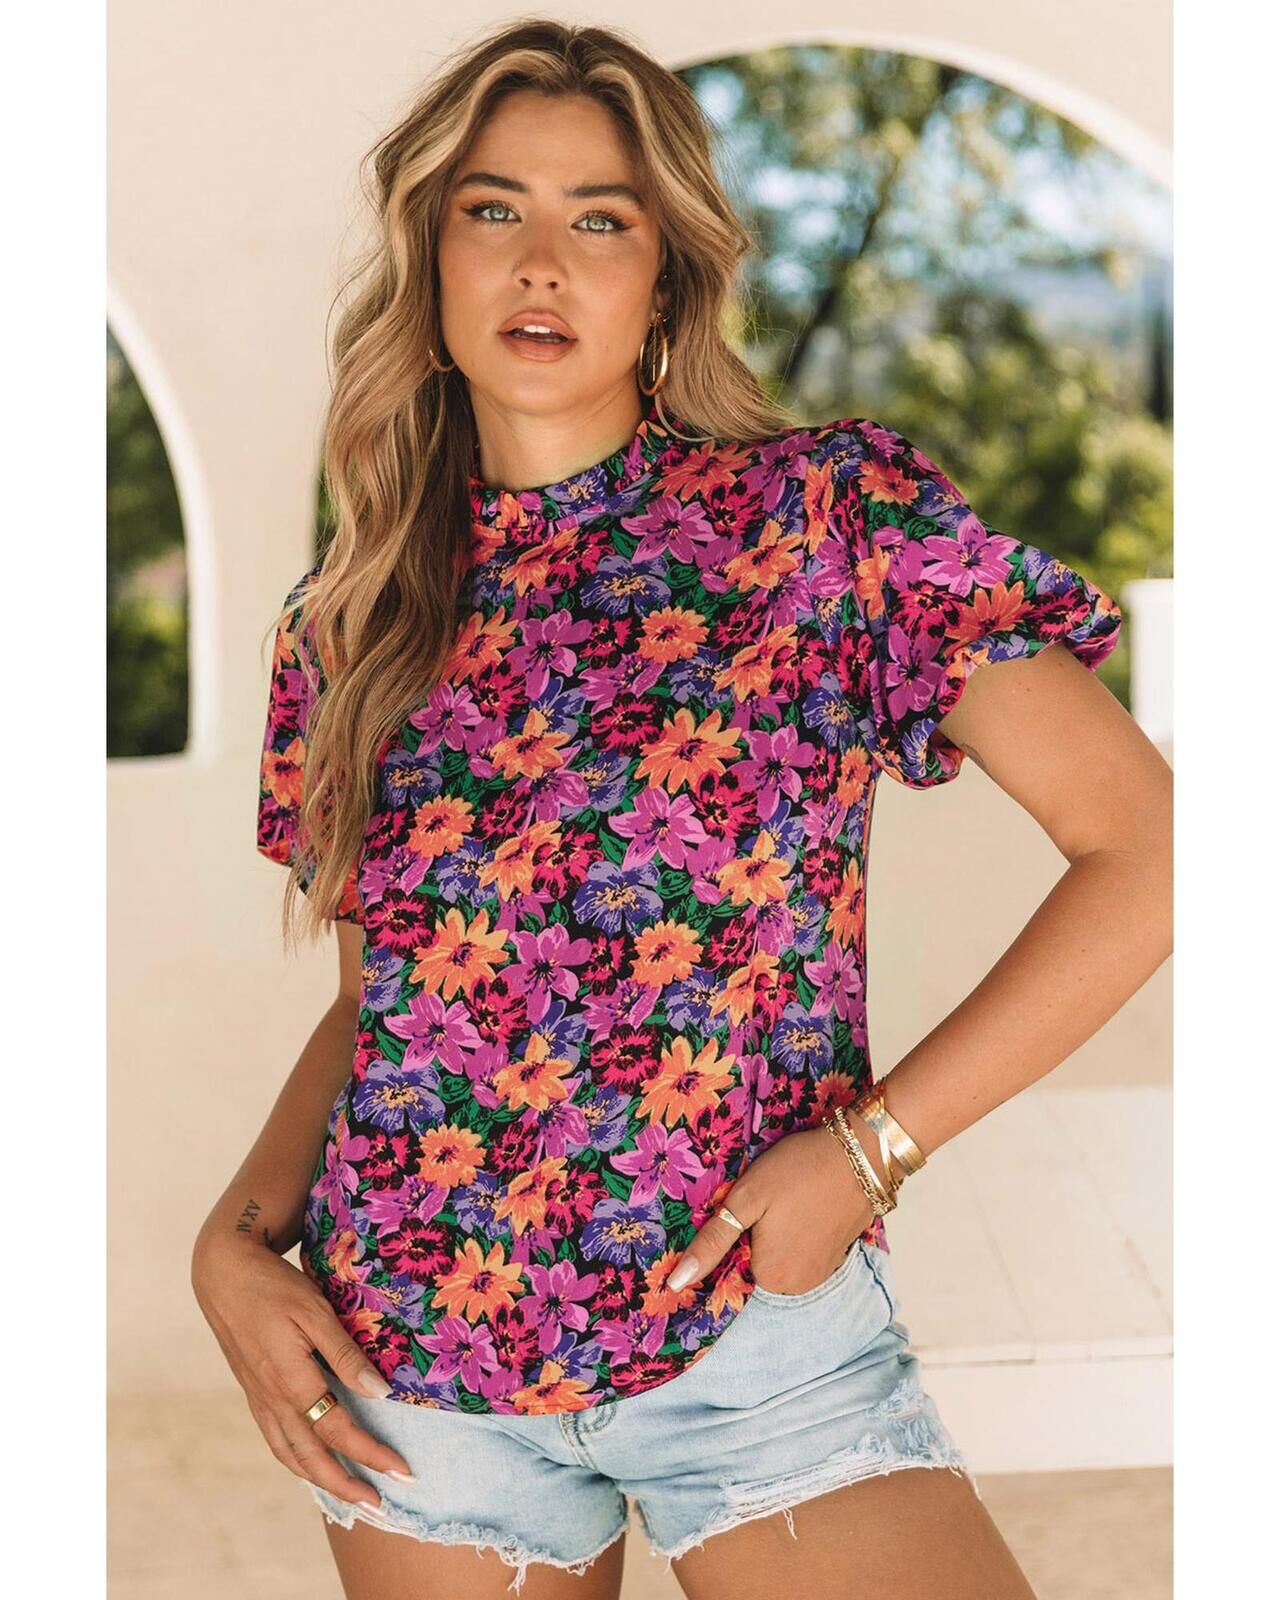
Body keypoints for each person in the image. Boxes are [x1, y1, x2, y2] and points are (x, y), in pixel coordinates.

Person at [191, 17, 1174, 1600]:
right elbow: (390, 1001)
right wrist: (234, 1239)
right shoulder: (350, 622)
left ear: (666, 283)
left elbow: (1157, 849)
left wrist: (871, 1152)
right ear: (429, 263)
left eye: (602, 220)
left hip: (756, 1347)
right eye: (493, 210)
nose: (541, 262)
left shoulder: (824, 522)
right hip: (420, 1380)